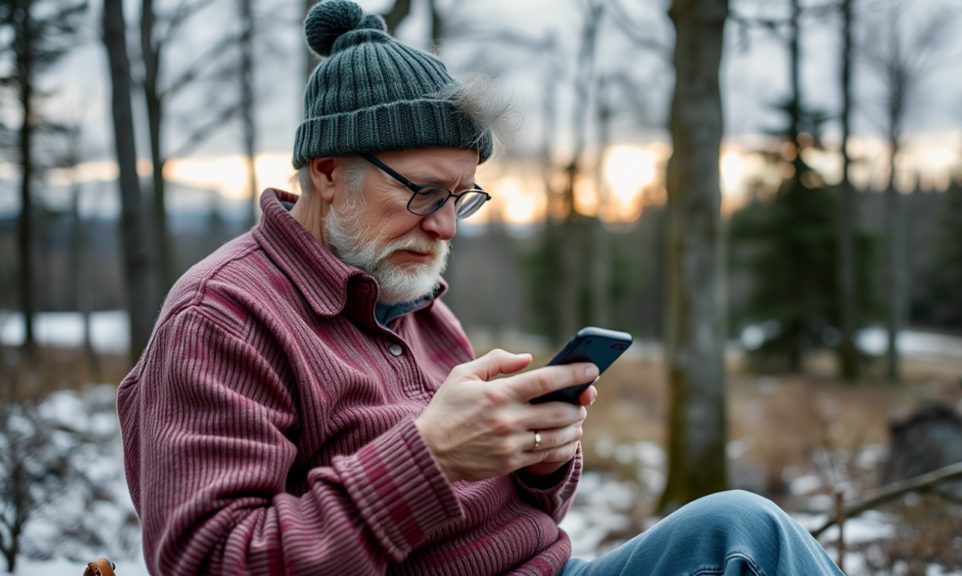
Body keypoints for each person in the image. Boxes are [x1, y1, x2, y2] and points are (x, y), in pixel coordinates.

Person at [116, 1, 845, 574]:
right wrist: (427, 458)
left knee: (742, 530)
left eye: (460, 198)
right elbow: (213, 560)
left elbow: (517, 518)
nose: (446, 227)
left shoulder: (410, 298)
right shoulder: (221, 319)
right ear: (329, 171)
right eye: (424, 193)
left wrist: (541, 459)